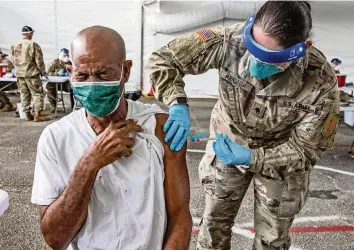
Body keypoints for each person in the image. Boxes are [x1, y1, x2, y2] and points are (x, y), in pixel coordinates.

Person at [146, 1, 340, 249]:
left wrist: (251, 157)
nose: (256, 61)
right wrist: (177, 102)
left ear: (301, 50)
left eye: (269, 58)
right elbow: (164, 59)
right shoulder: (230, 41)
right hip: (228, 145)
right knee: (213, 227)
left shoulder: (320, 81)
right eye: (253, 47)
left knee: (272, 239)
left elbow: (305, 150)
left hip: (280, 161)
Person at [31, 26, 192, 250]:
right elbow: (55, 239)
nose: (92, 84)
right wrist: (90, 162)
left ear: (125, 71)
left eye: (103, 74)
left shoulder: (159, 127)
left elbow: (180, 216)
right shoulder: (56, 138)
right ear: (70, 72)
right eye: (82, 75)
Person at [11, 26, 50, 122]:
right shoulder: (33, 45)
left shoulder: (14, 45)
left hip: (20, 74)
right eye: (31, 33)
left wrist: (18, 69)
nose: (32, 35)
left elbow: (13, 60)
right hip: (31, 74)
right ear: (28, 33)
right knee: (37, 93)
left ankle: (27, 114)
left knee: (24, 94)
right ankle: (38, 114)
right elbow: (39, 61)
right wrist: (43, 72)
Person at [47, 48, 74, 112]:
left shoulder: (69, 63)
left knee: (73, 89)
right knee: (49, 87)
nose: (66, 57)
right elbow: (48, 73)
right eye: (64, 56)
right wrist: (57, 73)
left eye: (67, 56)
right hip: (55, 83)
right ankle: (53, 107)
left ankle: (73, 107)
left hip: (65, 83)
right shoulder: (54, 62)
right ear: (61, 55)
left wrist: (69, 73)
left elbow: (72, 72)